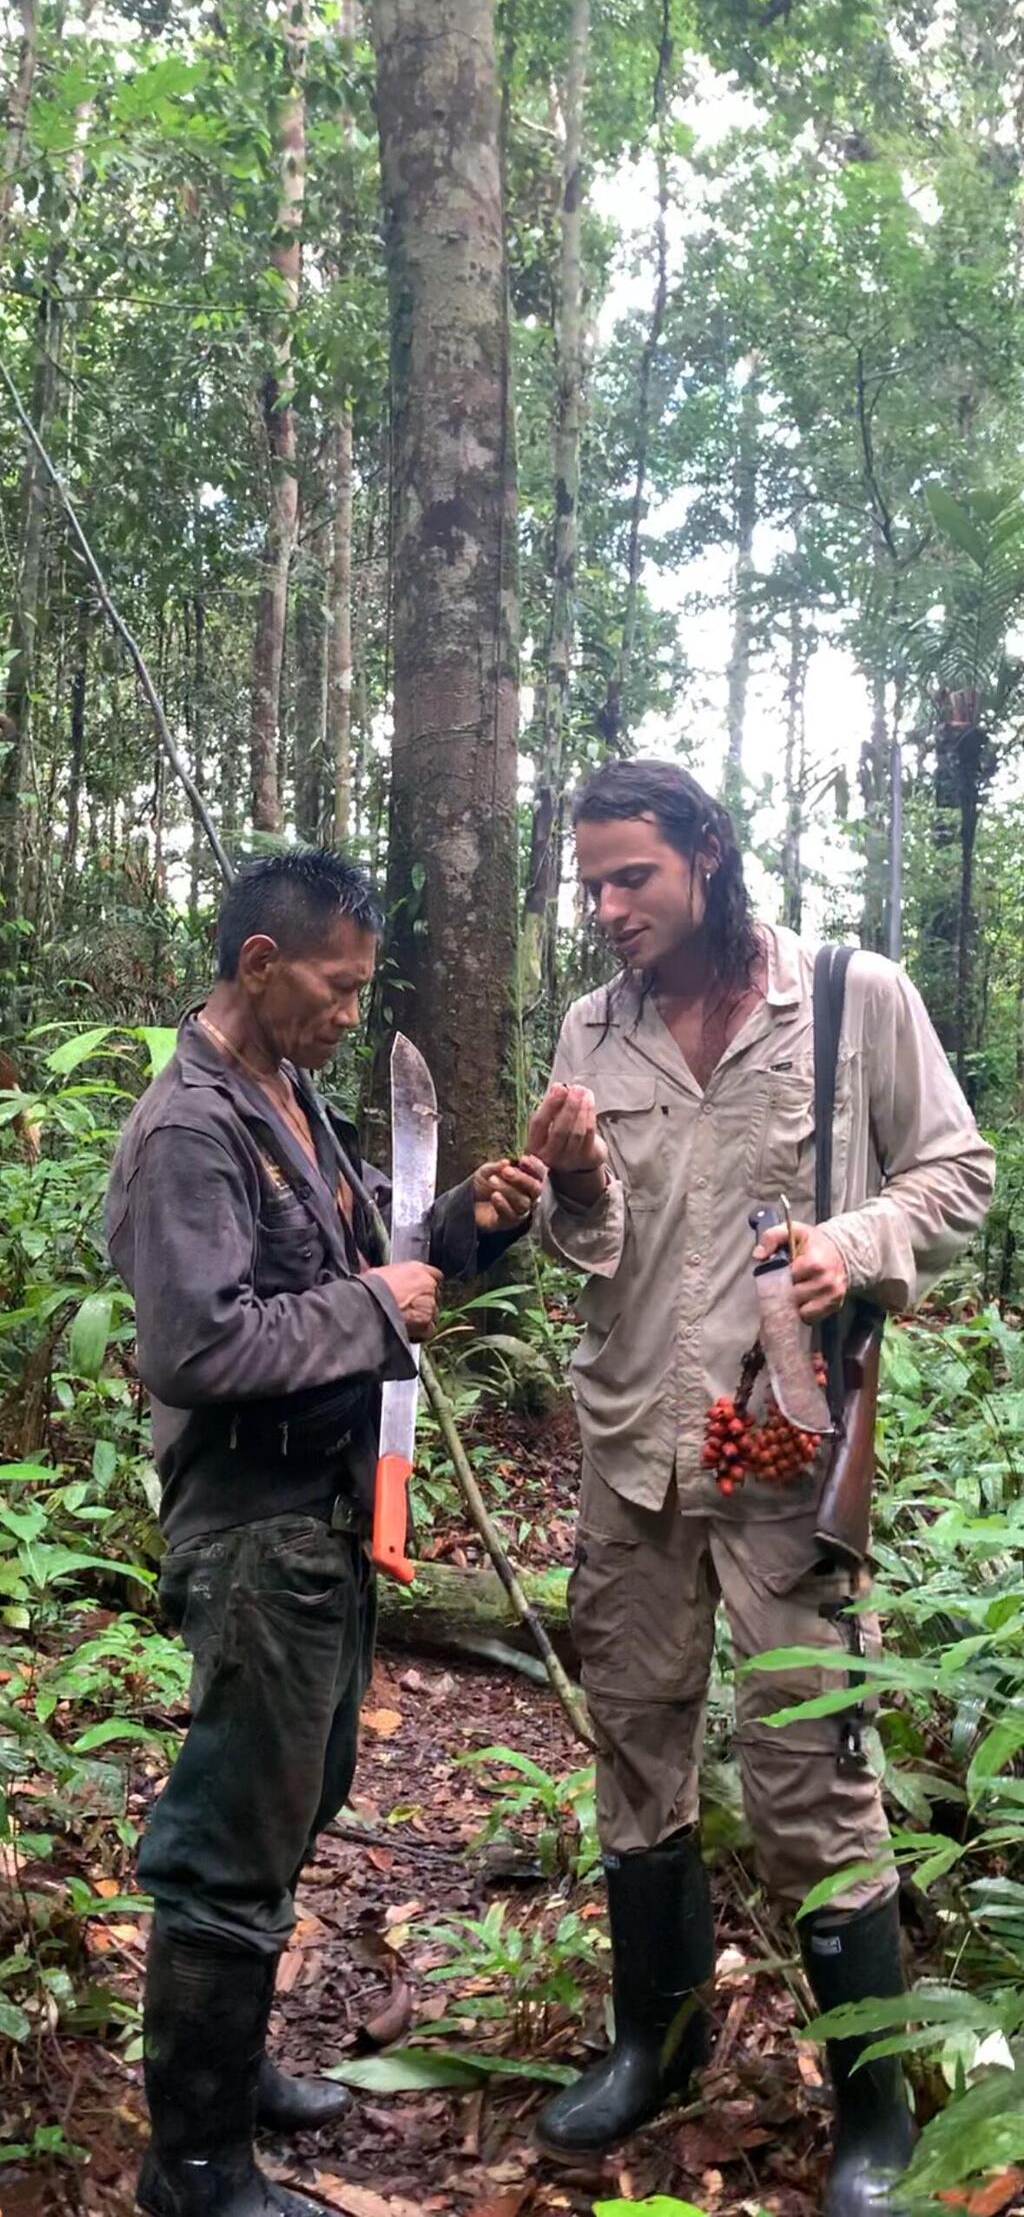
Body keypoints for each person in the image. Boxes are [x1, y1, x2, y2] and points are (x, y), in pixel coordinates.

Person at [526, 760, 994, 2214]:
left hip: (787, 1452)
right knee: (637, 1743)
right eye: (590, 883)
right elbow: (588, 1251)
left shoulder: (854, 997)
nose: (606, 910)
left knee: (811, 1779)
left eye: (633, 879)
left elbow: (960, 1174)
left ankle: (874, 2110)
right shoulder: (592, 1029)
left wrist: (855, 1244)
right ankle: (648, 2048)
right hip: (633, 1454)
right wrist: (575, 1187)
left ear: (709, 857)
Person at [106, 850, 542, 2217]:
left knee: (297, 1800)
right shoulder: (190, 1129)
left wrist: (467, 1225)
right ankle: (193, 2168)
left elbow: (369, 1254)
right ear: (259, 965)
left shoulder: (283, 1096)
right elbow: (196, 1344)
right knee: (231, 1837)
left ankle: (231, 2083)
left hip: (325, 1517)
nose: (352, 1012)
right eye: (336, 986)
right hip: (253, 1526)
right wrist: (378, 1306)